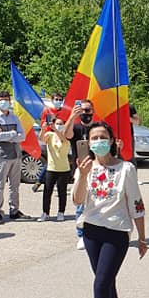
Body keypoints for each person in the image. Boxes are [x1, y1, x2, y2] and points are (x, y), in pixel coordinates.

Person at [72, 120, 147, 298]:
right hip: (92, 232)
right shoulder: (85, 167)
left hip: (117, 233)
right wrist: (83, 176)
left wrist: (142, 237)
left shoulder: (126, 168)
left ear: (112, 140)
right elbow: (77, 200)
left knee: (101, 283)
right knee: (105, 282)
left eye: (102, 137)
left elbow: (136, 203)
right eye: (93, 138)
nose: (98, 142)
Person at [0, 90, 28, 223]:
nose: (4, 102)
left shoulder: (14, 117)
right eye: (1, 99)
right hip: (2, 156)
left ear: (10, 101)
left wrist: (8, 135)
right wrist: (13, 133)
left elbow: (22, 136)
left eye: (6, 99)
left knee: (15, 185)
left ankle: (14, 210)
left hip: (16, 155)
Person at [65, 99, 95, 249]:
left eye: (88, 110)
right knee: (80, 204)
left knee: (98, 202)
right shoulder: (76, 128)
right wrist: (71, 116)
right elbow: (66, 135)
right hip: (81, 170)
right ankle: (81, 235)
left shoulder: (98, 128)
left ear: (93, 111)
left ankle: (96, 233)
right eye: (82, 110)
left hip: (97, 169)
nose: (85, 113)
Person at [32, 92, 69, 192]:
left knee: (60, 159)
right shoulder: (47, 111)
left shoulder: (64, 111)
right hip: (50, 137)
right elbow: (44, 124)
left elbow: (66, 124)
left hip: (62, 137)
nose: (58, 101)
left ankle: (55, 182)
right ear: (52, 100)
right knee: (50, 161)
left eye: (60, 99)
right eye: (56, 99)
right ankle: (40, 181)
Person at [39, 116, 71, 222]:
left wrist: (56, 129)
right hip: (51, 168)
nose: (59, 125)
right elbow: (42, 139)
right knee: (47, 191)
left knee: (62, 192)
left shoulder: (66, 137)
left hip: (63, 169)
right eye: (57, 123)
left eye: (61, 124)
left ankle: (61, 212)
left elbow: (63, 140)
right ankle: (45, 213)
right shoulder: (50, 135)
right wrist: (43, 129)